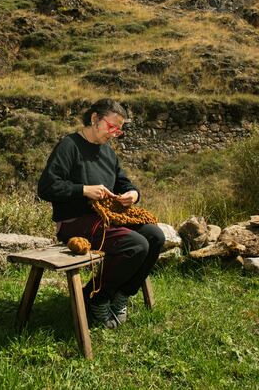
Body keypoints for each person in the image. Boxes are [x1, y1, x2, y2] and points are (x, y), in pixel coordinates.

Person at [37, 98, 165, 329]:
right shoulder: (69, 146)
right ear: (95, 118)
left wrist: (133, 195)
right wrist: (84, 190)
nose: (115, 133)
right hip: (73, 222)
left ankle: (121, 294)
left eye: (119, 130)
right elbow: (46, 187)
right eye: (112, 127)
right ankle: (96, 297)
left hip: (105, 219)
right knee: (135, 245)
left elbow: (125, 183)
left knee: (155, 236)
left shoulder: (108, 152)